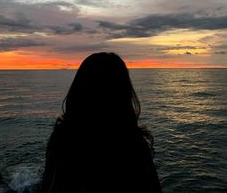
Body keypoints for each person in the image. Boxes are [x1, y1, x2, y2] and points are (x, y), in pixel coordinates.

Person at [41, 52, 162, 193]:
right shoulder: (132, 144)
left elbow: (49, 184)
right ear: (123, 93)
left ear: (79, 90)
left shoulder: (63, 139)